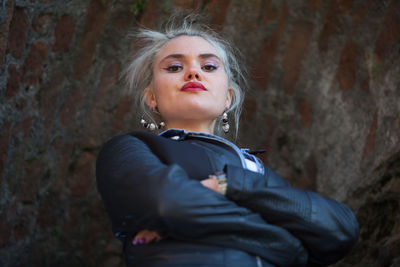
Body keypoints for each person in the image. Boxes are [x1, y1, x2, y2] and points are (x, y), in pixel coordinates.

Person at [96, 15, 359, 267]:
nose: (193, 73)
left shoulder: (256, 170)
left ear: (228, 98)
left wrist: (228, 184)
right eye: (175, 67)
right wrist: (291, 248)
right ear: (152, 97)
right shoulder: (128, 149)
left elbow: (341, 229)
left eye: (209, 66)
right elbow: (170, 203)